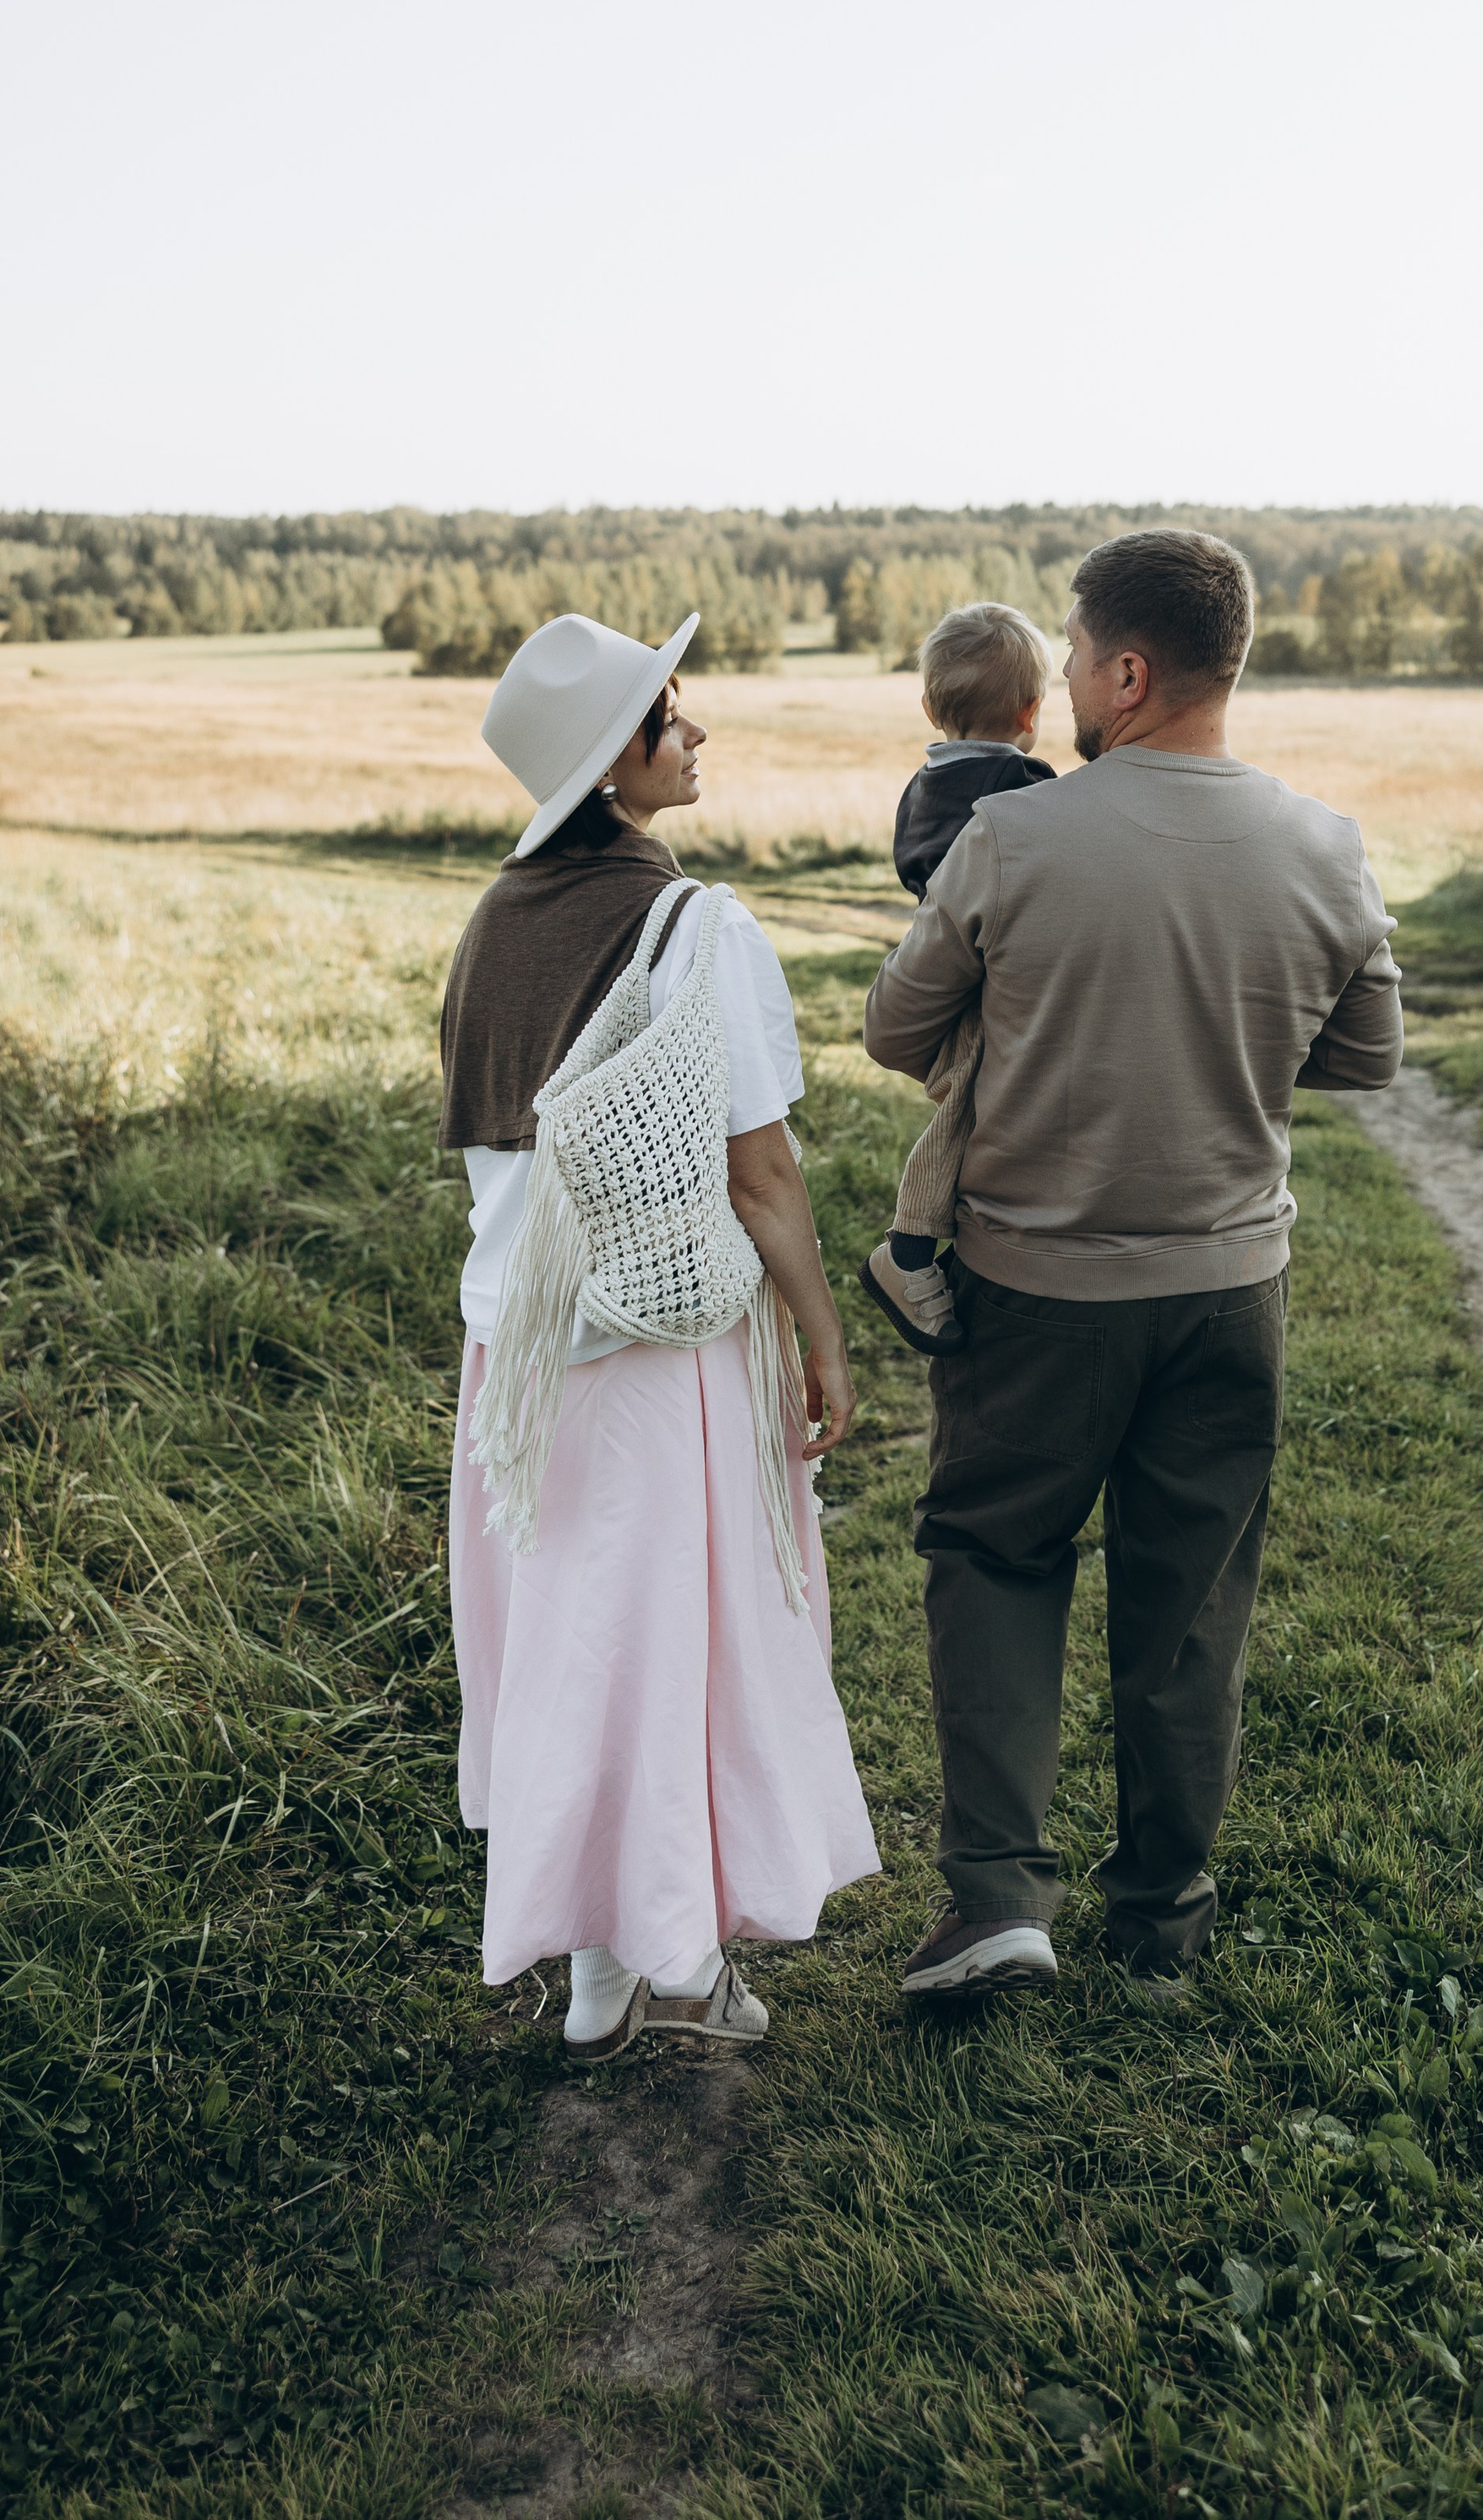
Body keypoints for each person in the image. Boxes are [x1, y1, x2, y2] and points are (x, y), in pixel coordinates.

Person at [863, 530, 1404, 2006]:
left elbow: (897, 1030)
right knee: (1191, 1603)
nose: (1066, 679)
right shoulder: (1327, 845)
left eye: (1076, 653)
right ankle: (1162, 1924)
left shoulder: (1011, 839)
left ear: (1126, 671)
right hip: (1231, 1295)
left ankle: (997, 1901)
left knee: (996, 1558)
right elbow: (1366, 1056)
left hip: (1034, 1290)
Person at [441, 608, 878, 2058]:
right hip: (657, 1350)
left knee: (572, 1654)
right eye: (666, 716)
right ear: (613, 764)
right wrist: (821, 1333)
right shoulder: (698, 926)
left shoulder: (489, 928)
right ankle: (685, 1960)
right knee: (679, 1646)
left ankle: (596, 1972)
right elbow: (762, 1173)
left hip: (515, 1361)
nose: (694, 731)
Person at [859, 601, 1055, 1361]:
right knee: (966, 1105)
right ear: (1031, 711)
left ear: (929, 706)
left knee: (973, 1097)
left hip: (949, 951)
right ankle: (907, 1251)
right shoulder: (1024, 783)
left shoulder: (923, 784)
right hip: (989, 968)